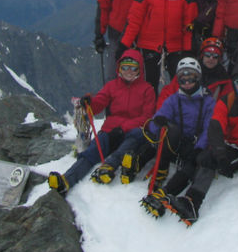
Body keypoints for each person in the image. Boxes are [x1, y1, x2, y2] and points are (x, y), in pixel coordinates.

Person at [142, 62, 238, 225]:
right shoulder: (226, 102)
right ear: (234, 84)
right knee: (207, 158)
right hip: (235, 151)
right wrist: (220, 156)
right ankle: (192, 202)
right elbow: (215, 129)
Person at [47, 49, 156, 194]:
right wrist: (89, 102)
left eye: (133, 68)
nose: (129, 71)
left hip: (132, 132)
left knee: (135, 136)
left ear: (139, 69)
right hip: (111, 132)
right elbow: (98, 104)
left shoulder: (147, 90)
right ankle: (66, 180)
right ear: (119, 68)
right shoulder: (112, 86)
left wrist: (123, 127)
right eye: (125, 67)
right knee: (91, 151)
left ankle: (109, 166)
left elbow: (147, 117)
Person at [115, 57, 215, 191]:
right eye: (182, 79)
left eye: (191, 78)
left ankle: (163, 180)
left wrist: (199, 148)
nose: (186, 82)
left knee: (191, 159)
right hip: (175, 144)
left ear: (198, 78)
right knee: (167, 132)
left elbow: (209, 128)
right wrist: (158, 123)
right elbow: (156, 122)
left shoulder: (208, 102)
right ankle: (149, 167)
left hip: (193, 147)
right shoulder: (173, 100)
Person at [120, 0, 198, 92]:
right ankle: (151, 113)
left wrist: (187, 48)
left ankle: (176, 113)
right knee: (150, 86)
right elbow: (134, 21)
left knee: (179, 84)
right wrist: (124, 44)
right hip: (150, 46)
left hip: (176, 47)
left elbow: (189, 22)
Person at [154, 36, 231, 108]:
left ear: (219, 59)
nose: (211, 58)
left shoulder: (224, 81)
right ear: (202, 55)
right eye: (207, 54)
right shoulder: (187, 70)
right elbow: (168, 93)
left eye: (215, 56)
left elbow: (225, 107)